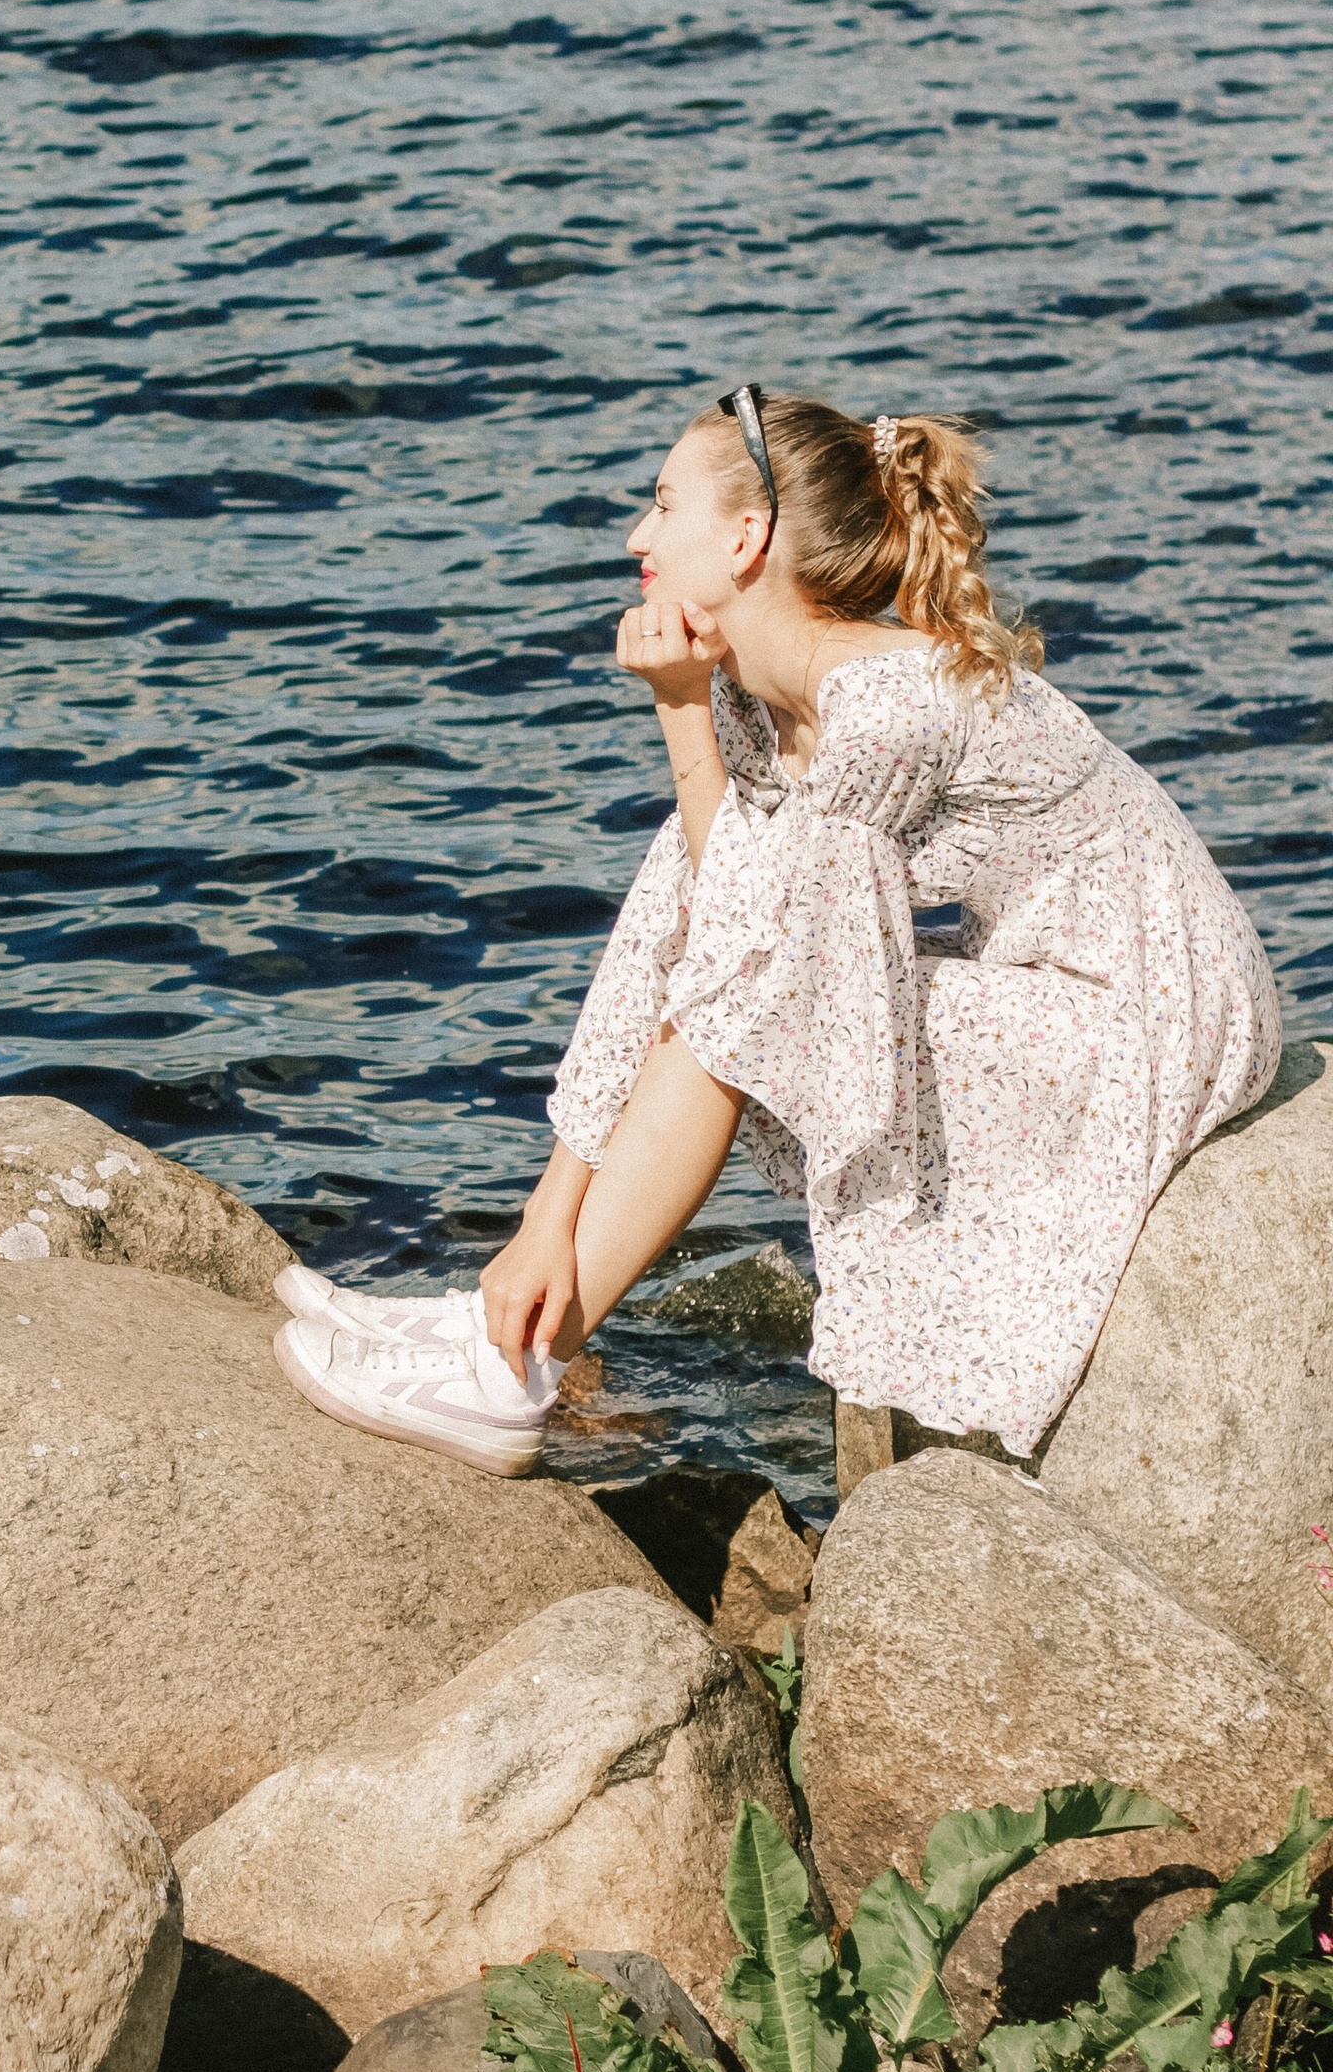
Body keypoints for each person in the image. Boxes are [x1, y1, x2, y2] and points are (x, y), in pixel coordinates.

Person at [274, 388, 1280, 1475]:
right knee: (712, 958)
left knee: (750, 999)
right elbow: (676, 922)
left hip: (1153, 1012)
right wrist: (542, 1219)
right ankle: (502, 1313)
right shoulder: (762, 694)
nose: (637, 537)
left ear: (746, 536)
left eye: (664, 506)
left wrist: (676, 713)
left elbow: (757, 949)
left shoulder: (889, 708)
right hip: (1043, 979)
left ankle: (514, 1368)